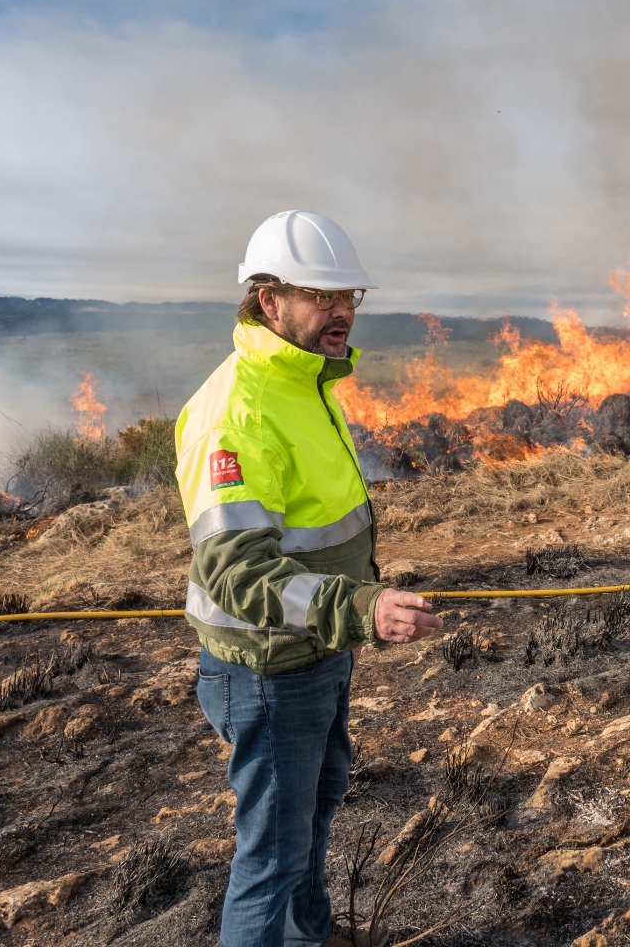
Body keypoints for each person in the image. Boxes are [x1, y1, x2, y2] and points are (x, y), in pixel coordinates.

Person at [175, 210, 442, 947]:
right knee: (272, 857)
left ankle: (310, 938)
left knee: (312, 818)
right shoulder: (238, 410)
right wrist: (358, 608)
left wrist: (346, 624)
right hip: (266, 668)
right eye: (322, 296)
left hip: (315, 650)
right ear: (269, 300)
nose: (343, 311)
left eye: (349, 295)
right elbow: (234, 569)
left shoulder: (306, 384)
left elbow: (319, 528)